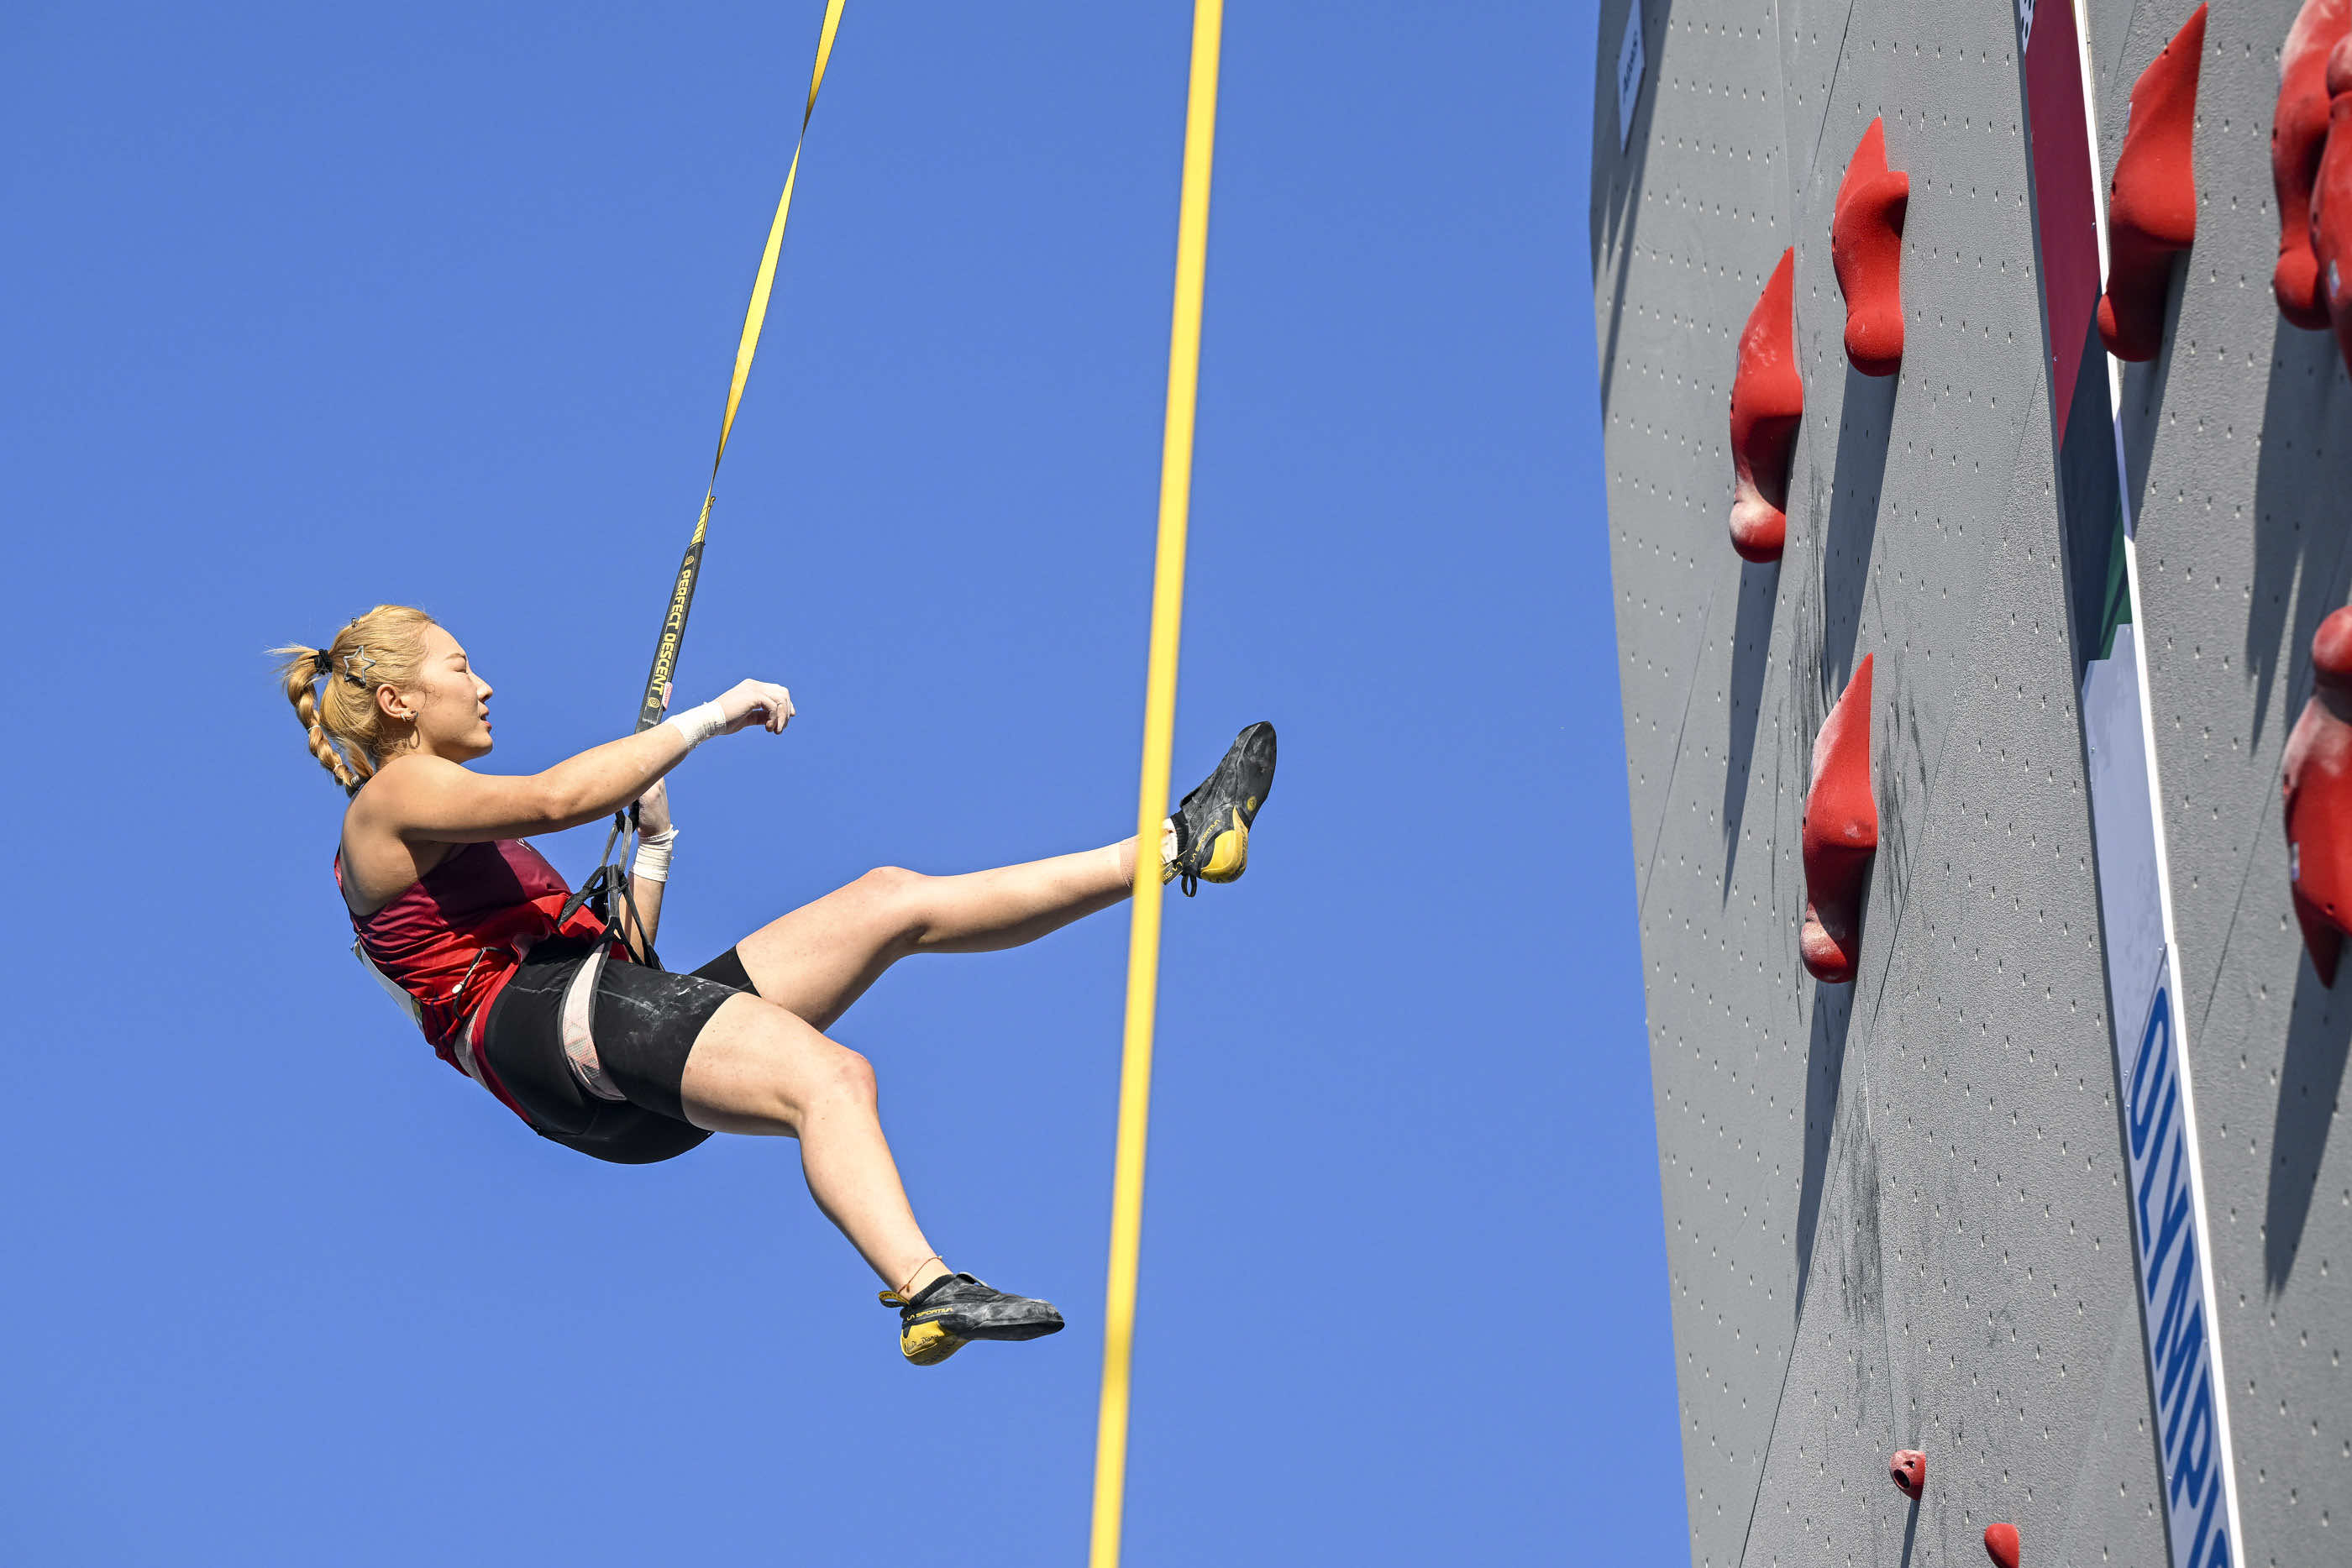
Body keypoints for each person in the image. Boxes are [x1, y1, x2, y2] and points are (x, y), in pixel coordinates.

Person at [274, 604, 1275, 1366]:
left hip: (593, 1060)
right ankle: (923, 1288)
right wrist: (710, 715)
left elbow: (625, 982)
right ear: (400, 702)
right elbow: (554, 799)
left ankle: (1175, 844)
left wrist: (657, 841)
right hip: (541, 1037)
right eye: (461, 668)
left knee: (890, 901)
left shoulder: (440, 824)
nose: (485, 685)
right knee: (829, 1079)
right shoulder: (394, 795)